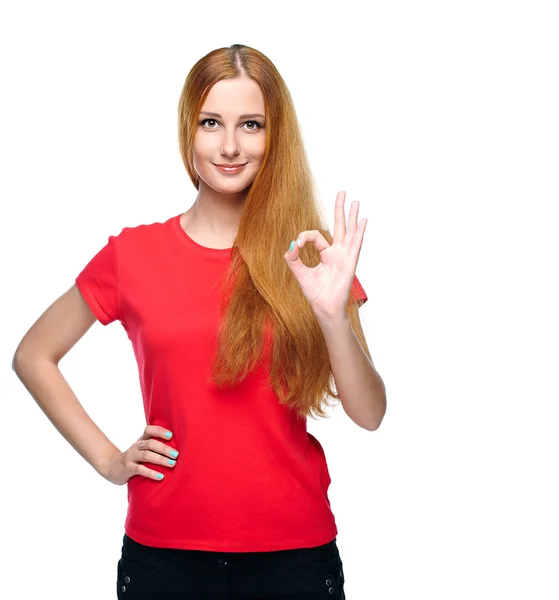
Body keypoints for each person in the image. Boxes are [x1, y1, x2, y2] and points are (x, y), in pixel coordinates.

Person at [12, 43, 386, 599]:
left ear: (274, 136)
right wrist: (110, 461)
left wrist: (332, 316)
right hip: (165, 557)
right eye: (212, 123)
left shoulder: (311, 256)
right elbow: (33, 355)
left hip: (294, 557)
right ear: (189, 130)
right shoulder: (132, 255)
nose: (230, 145)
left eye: (251, 125)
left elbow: (370, 413)